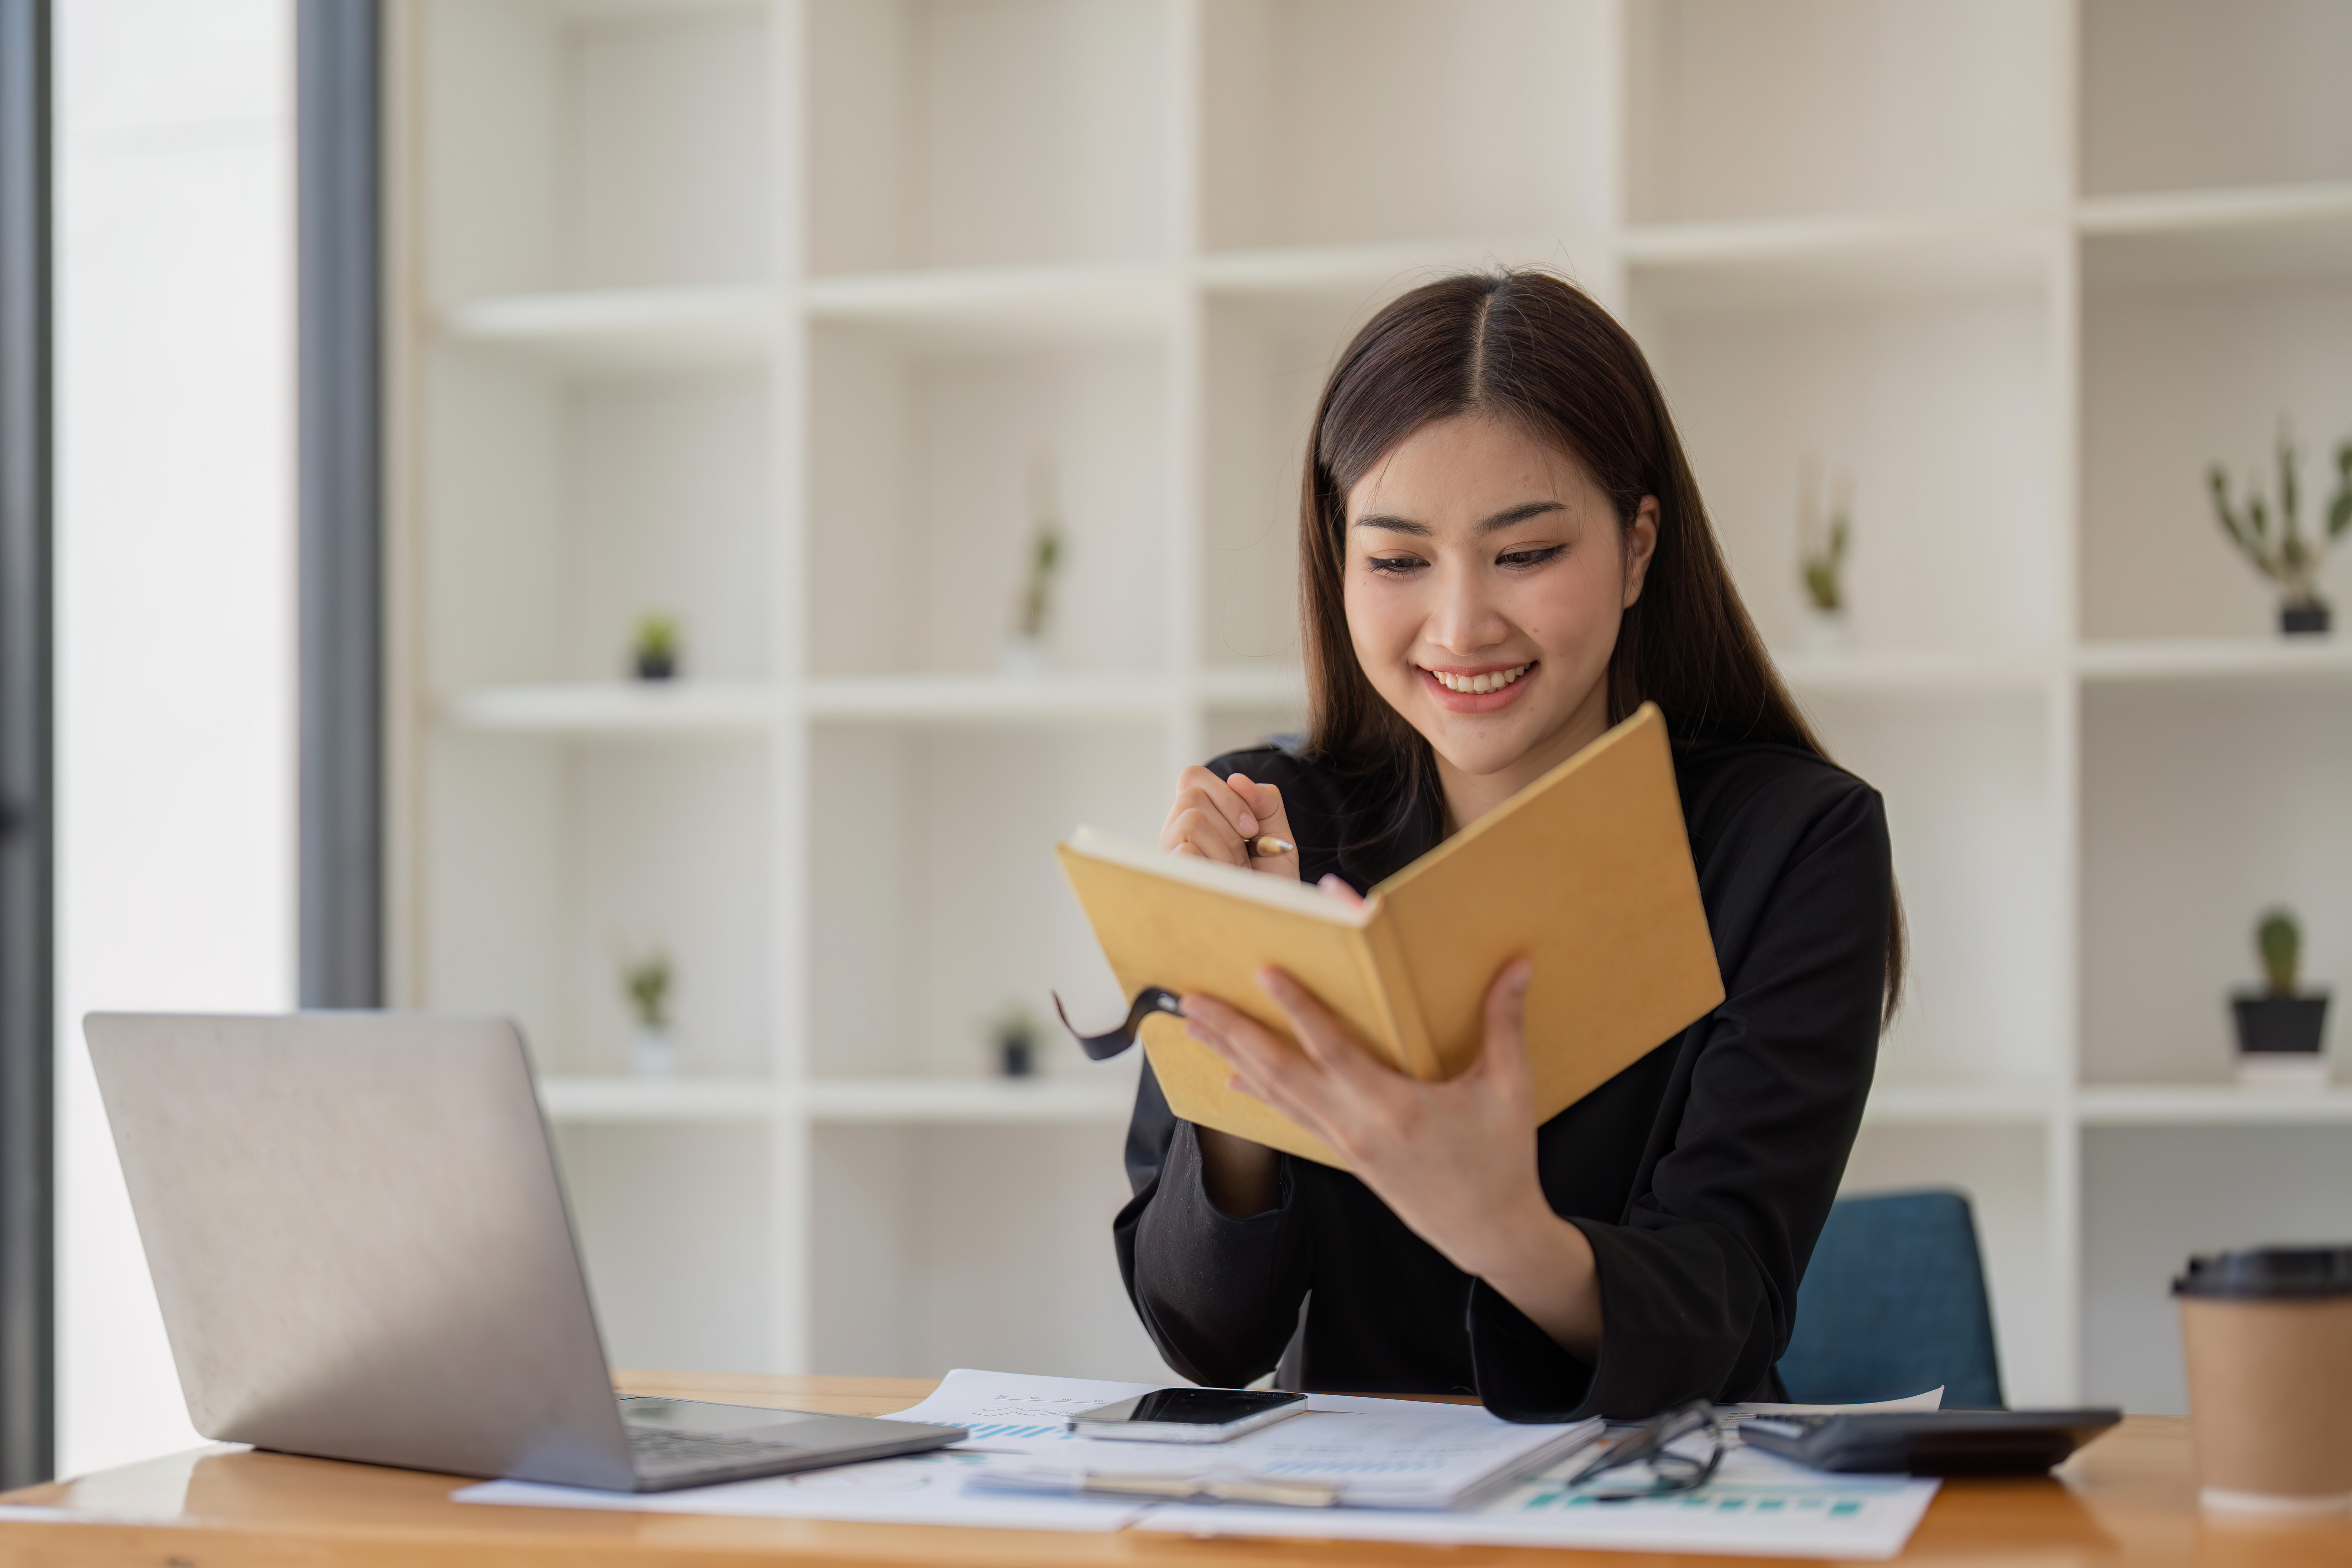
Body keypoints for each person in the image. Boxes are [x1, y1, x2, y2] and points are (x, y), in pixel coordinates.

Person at [1112, 269, 1901, 1421]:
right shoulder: (1270, 825)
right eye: (1396, 560)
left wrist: (1504, 1229)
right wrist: (1238, 1024)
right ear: (1339, 564)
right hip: (1346, 1522)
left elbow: (1725, 1309)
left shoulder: (1793, 843)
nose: (1461, 624)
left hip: (1650, 1509)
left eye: (1525, 553)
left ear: (1638, 549)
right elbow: (1206, 1335)